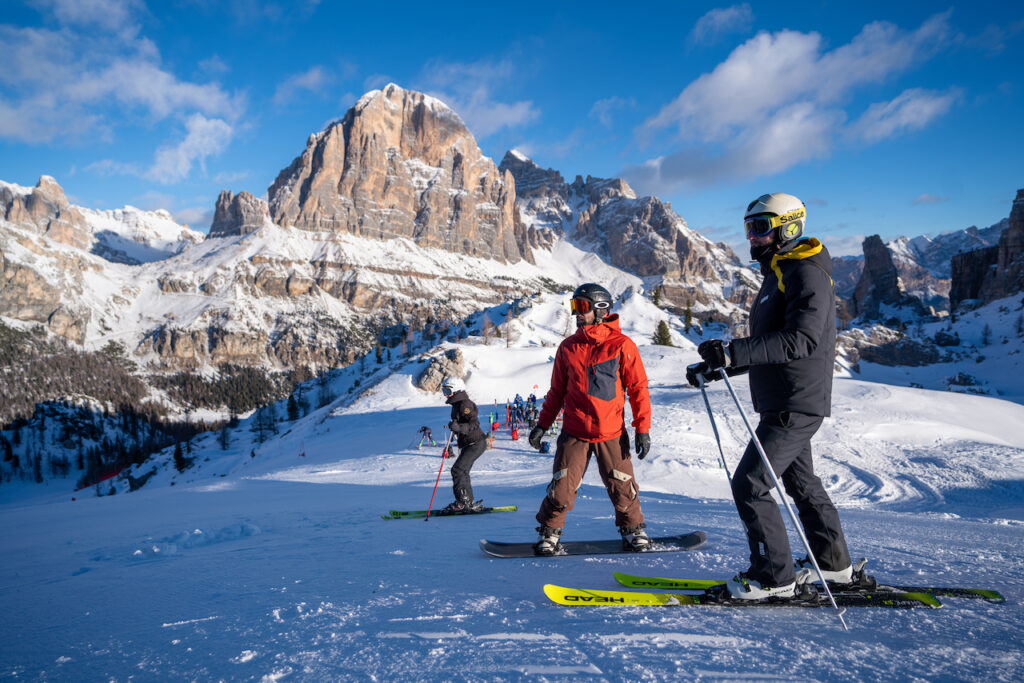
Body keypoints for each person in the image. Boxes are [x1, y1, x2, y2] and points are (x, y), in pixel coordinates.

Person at [690, 192, 851, 600]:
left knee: (750, 484)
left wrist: (734, 351)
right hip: (785, 397)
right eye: (749, 228)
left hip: (794, 400)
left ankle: (773, 577)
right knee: (803, 484)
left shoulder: (805, 272)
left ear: (790, 226)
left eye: (760, 228)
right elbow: (770, 345)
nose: (752, 238)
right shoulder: (780, 272)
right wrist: (720, 364)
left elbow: (801, 340)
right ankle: (833, 567)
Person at [527, 283, 653, 555]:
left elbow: (638, 389)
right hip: (574, 433)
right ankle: (549, 533)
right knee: (560, 489)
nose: (576, 313)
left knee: (623, 488)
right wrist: (542, 425)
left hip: (611, 433)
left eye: (581, 307)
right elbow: (557, 392)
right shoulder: (568, 347)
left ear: (600, 309)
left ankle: (633, 531)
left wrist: (642, 429)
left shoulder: (622, 346)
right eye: (574, 307)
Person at [440, 376, 488, 513]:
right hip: (470, 443)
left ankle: (462, 502)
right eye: (444, 391)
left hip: (476, 442)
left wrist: (459, 428)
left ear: (456, 390)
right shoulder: (457, 404)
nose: (445, 394)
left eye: (447, 391)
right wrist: (455, 426)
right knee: (462, 471)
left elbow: (474, 423)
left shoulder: (464, 404)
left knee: (457, 470)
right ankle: (467, 501)